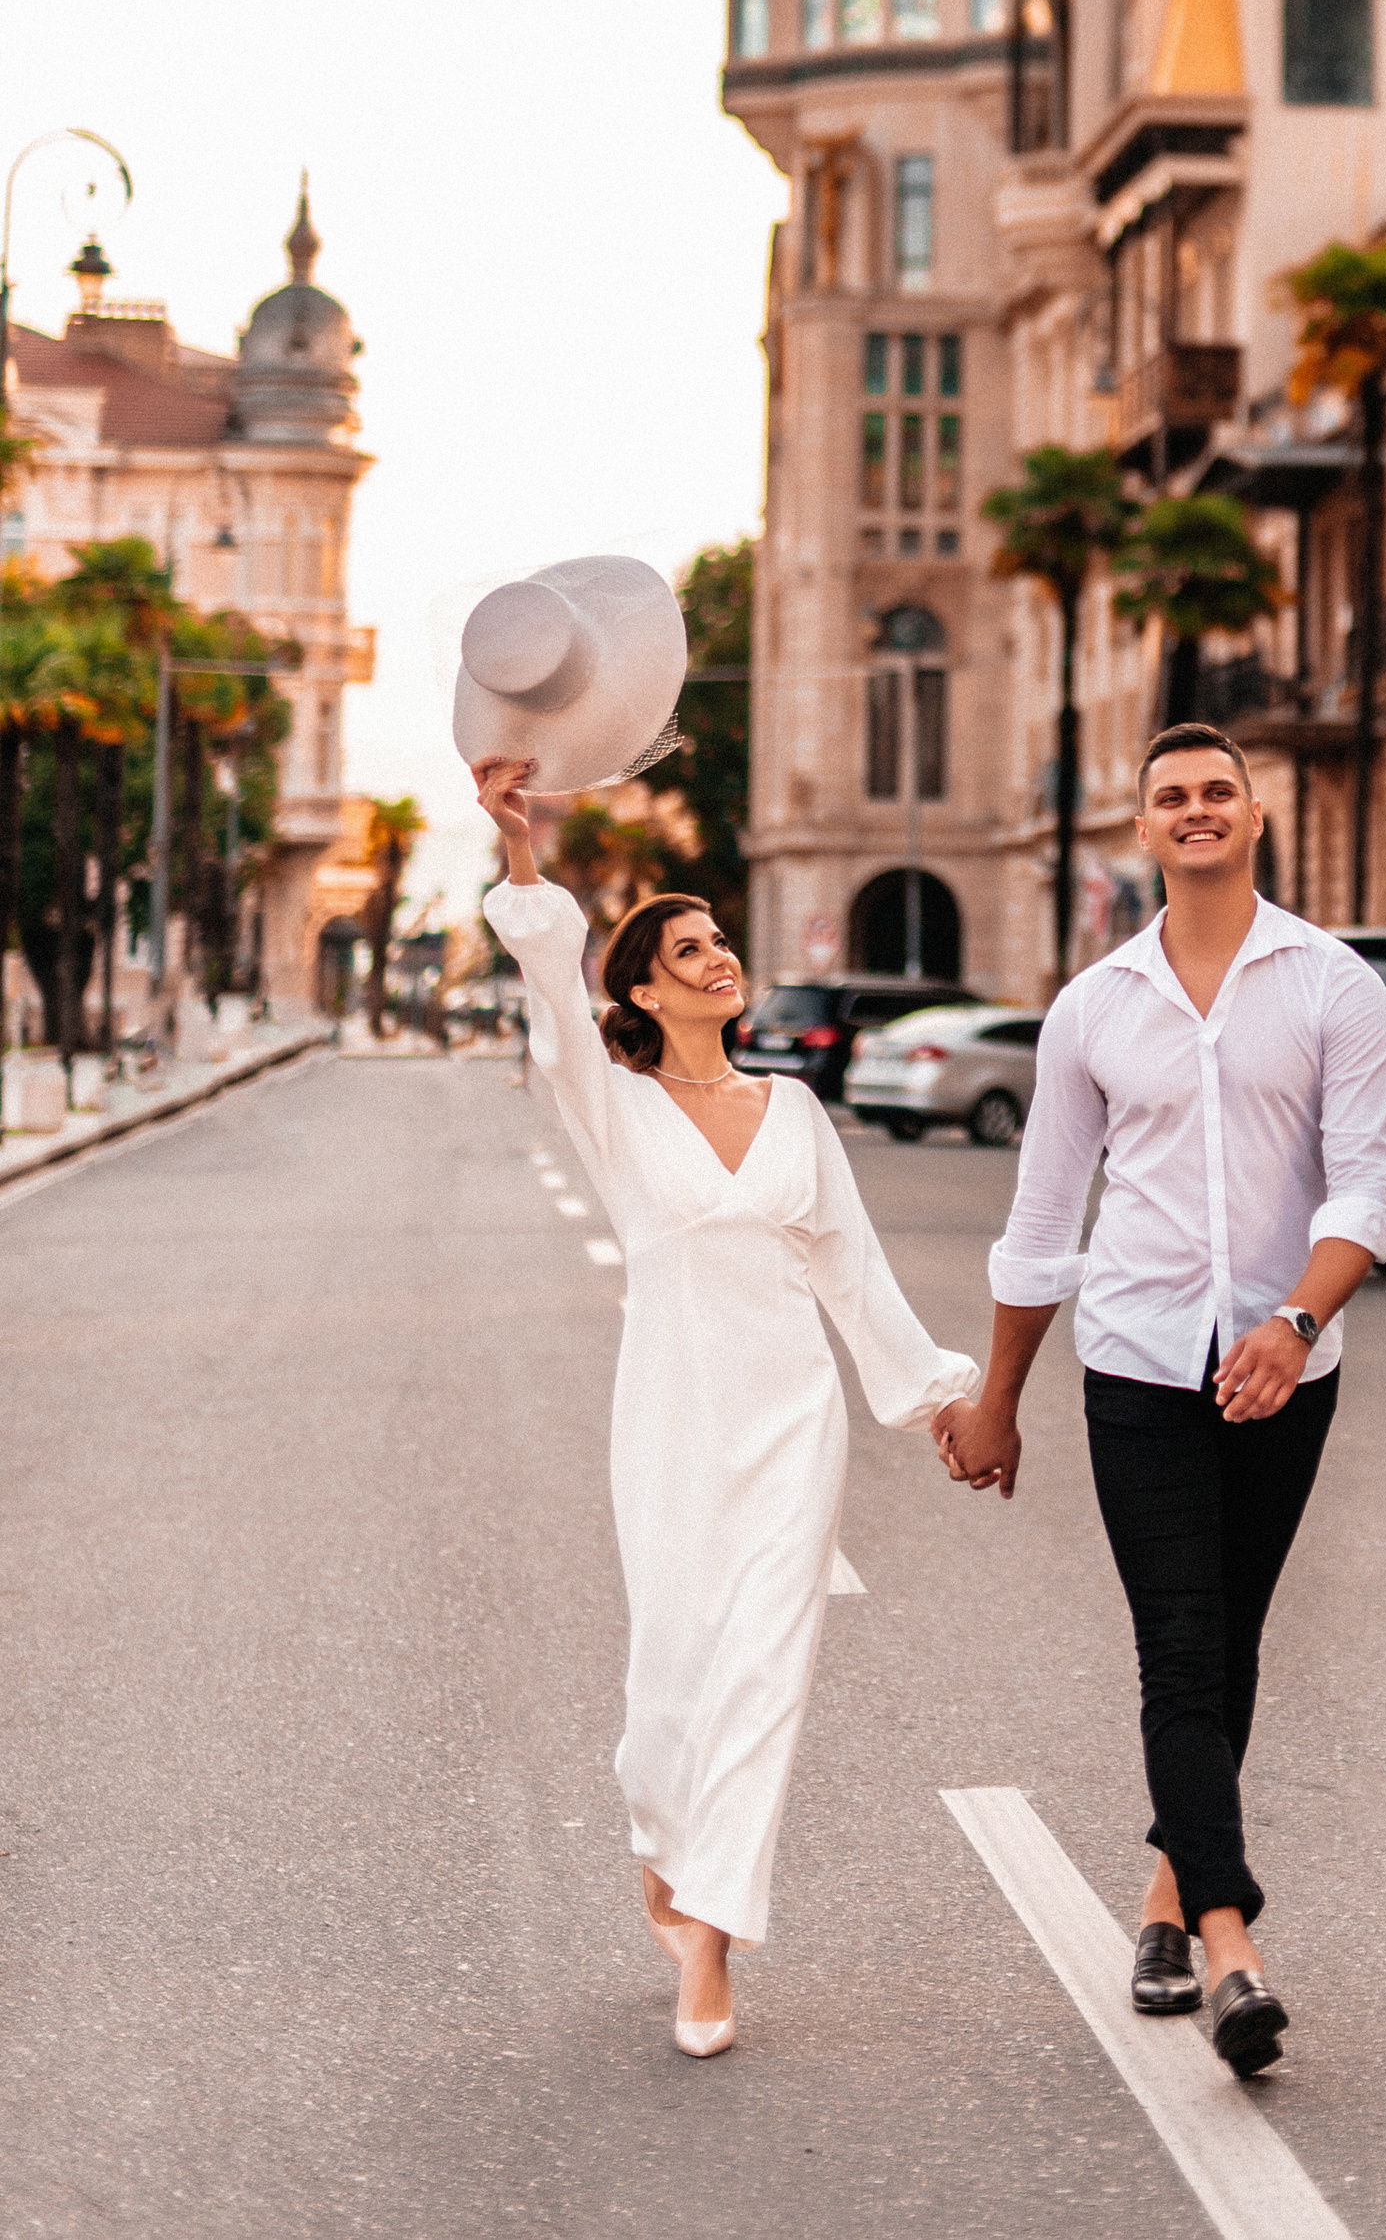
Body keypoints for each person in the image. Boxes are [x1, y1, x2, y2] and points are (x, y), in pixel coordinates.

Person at [474, 752, 979, 2058]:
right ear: (641, 986)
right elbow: (547, 982)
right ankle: (663, 1835)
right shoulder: (614, 1103)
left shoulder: (798, 1110)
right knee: (671, 1684)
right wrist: (522, 848)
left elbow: (853, 1276)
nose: (714, 958)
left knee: (763, 1675)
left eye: (716, 940)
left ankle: (709, 1936)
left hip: (790, 1426)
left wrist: (940, 1403)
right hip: (672, 1426)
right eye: (684, 947)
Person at [934, 725, 1386, 2079]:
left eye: (1216, 791)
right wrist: (999, 1396)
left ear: (1255, 814)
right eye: (1169, 797)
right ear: (1141, 828)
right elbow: (1041, 1221)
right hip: (1136, 1360)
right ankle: (1229, 1941)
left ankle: (1156, 1897)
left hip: (1284, 1367)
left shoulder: (1333, 983)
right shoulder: (1093, 1007)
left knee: (1230, 1642)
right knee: (1182, 1646)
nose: (1194, 810)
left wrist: (1295, 1319)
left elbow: (1366, 1189)